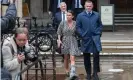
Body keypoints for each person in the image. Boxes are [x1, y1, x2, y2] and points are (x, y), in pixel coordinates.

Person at [76, 1, 103, 80]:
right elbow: (78, 27)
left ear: (92, 6)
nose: (88, 8)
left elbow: (100, 25)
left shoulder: (96, 14)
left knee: (96, 56)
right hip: (86, 38)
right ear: (84, 6)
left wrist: (98, 33)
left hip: (95, 38)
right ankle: (88, 73)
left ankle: (95, 73)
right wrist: (82, 35)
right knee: (86, 57)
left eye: (90, 6)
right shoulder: (80, 16)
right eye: (87, 6)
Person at [57, 10, 81, 80]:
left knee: (72, 57)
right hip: (64, 40)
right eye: (67, 15)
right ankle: (67, 70)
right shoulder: (62, 23)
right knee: (66, 58)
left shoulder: (75, 23)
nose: (68, 16)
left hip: (73, 40)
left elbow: (78, 31)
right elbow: (59, 32)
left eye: (69, 15)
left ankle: (72, 73)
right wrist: (59, 40)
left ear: (73, 16)